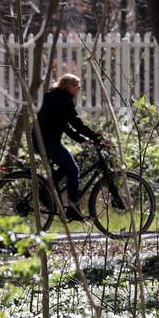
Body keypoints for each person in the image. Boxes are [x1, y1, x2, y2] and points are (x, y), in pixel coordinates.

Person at [34, 74, 108, 221]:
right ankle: (73, 207)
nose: (80, 89)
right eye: (77, 86)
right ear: (69, 86)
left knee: (67, 167)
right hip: (48, 143)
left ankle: (45, 191)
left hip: (42, 140)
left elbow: (65, 125)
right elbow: (76, 123)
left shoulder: (54, 96)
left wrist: (82, 139)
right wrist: (96, 137)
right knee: (73, 170)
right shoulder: (63, 100)